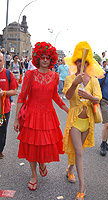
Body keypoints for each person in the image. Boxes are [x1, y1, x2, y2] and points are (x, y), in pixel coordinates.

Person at [14, 41, 69, 191]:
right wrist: (17, 119)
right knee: (32, 146)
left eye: (47, 57)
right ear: (37, 58)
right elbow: (22, 96)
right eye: (42, 57)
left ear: (51, 59)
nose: (45, 60)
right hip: (31, 116)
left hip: (47, 116)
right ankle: (33, 175)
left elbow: (56, 97)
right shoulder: (30, 75)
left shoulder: (55, 76)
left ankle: (42, 163)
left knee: (43, 145)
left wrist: (68, 110)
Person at [63, 41, 104, 200]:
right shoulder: (69, 78)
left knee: (78, 151)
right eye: (79, 61)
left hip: (88, 121)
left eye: (84, 62)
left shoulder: (93, 80)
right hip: (74, 121)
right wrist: (75, 83)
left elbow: (98, 98)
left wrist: (90, 97)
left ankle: (70, 169)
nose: (81, 64)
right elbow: (67, 96)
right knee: (79, 152)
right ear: (75, 62)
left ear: (88, 64)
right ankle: (82, 186)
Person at [0, 52, 18, 159]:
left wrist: (4, 93)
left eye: (0, 60)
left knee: (1, 131)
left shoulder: (8, 74)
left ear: (3, 61)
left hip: (3, 110)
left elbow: (15, 91)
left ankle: (0, 150)